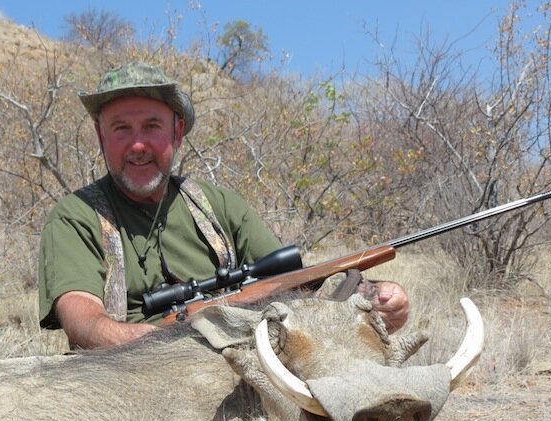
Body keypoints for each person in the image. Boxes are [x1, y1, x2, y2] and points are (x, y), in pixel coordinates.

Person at [38, 62, 408, 348]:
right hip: (127, 378)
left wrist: (373, 296)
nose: (138, 145)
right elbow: (83, 320)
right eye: (121, 129)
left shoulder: (218, 204)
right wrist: (172, 340)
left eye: (152, 126)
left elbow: (295, 284)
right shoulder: (76, 216)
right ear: (101, 136)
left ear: (177, 133)